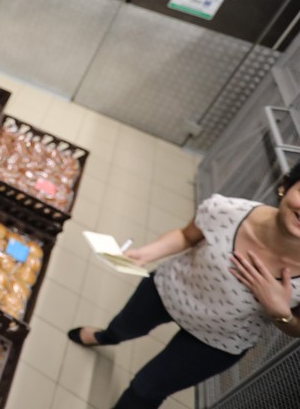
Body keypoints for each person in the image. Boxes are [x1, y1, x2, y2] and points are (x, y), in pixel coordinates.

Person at [67, 164, 300, 408]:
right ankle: (107, 337)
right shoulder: (226, 210)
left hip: (219, 339)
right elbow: (187, 236)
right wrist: (146, 254)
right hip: (171, 288)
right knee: (124, 327)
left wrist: (280, 313)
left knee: (146, 390)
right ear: (285, 185)